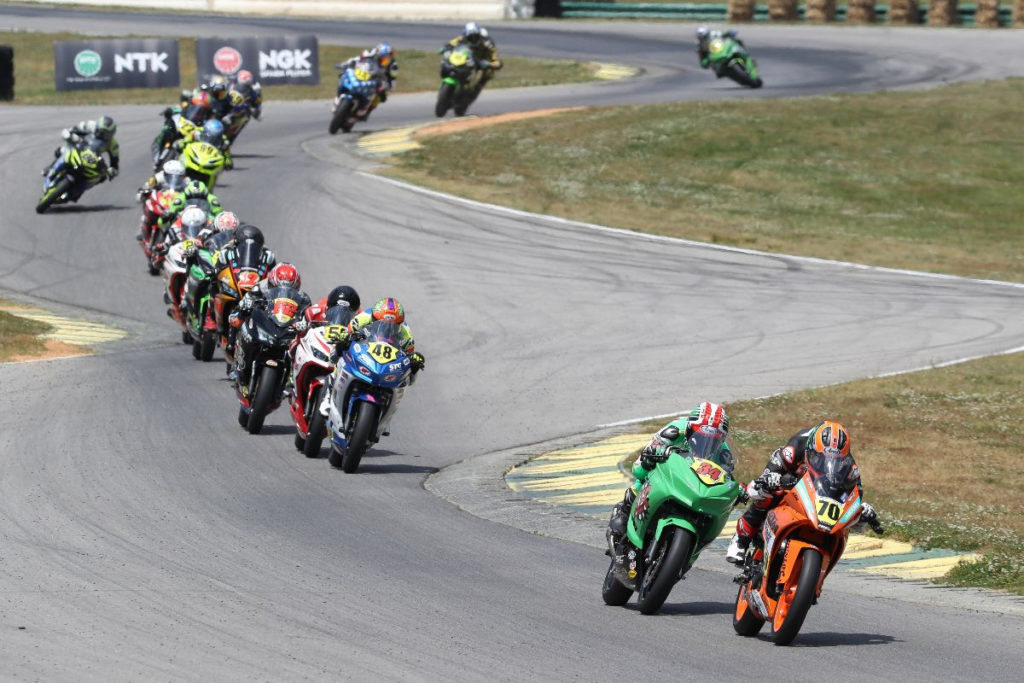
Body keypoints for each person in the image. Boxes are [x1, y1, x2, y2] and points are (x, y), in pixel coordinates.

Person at [725, 420, 880, 563]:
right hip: (792, 484)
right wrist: (770, 479)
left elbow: (855, 494)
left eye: (837, 458)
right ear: (810, 448)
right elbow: (762, 480)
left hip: (818, 496)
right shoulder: (796, 446)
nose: (831, 460)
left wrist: (862, 510)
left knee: (843, 528)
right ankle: (740, 538)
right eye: (820, 456)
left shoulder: (848, 465)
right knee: (766, 491)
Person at [607, 402, 734, 544]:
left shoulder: (723, 454)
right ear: (689, 429)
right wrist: (652, 455)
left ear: (722, 438)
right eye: (700, 438)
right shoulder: (674, 431)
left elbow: (727, 479)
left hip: (694, 488)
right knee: (644, 472)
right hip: (668, 474)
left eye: (713, 441)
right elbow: (637, 468)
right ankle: (625, 511)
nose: (705, 444)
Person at [229, 262, 312, 392]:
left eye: (292, 287)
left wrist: (305, 323)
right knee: (238, 321)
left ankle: (291, 379)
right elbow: (245, 301)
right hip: (264, 322)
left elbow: (308, 315)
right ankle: (238, 364)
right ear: (272, 282)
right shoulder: (260, 287)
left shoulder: (303, 298)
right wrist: (245, 305)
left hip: (286, 328)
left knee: (305, 343)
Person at [45, 115, 120, 184]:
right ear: (97, 127)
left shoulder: (113, 144)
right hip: (80, 145)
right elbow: (74, 129)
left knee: (101, 178)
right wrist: (70, 134)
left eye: (107, 134)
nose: (102, 135)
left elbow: (115, 163)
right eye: (101, 132)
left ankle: (77, 191)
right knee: (61, 151)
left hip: (92, 158)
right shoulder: (90, 125)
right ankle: (51, 167)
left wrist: (112, 171)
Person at [443, 22, 502, 95]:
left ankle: (478, 86)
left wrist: (494, 64)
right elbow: (451, 43)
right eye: (470, 37)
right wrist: (446, 48)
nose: (473, 39)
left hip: (482, 59)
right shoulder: (462, 37)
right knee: (452, 60)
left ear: (480, 35)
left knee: (489, 73)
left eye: (475, 37)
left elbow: (495, 58)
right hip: (468, 56)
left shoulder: (488, 43)